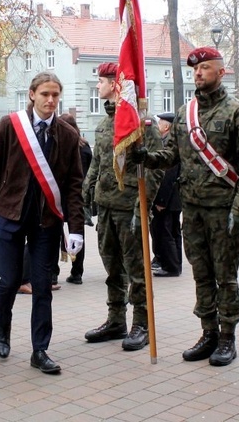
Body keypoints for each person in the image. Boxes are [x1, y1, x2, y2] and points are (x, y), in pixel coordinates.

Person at [132, 47, 239, 366]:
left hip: (223, 211)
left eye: (205, 68)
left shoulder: (237, 113)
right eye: (195, 69)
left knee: (225, 276)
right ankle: (208, 332)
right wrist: (146, 157)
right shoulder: (185, 113)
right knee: (201, 275)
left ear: (221, 72)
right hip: (192, 211)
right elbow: (171, 156)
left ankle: (228, 337)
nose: (199, 73)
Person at [0, 71, 85, 374]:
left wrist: (75, 227)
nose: (50, 100)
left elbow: (74, 185)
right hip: (10, 215)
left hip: (46, 221)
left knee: (42, 286)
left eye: (55, 95)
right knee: (10, 281)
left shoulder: (66, 134)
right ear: (32, 94)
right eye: (45, 95)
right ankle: (3, 329)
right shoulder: (11, 126)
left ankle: (40, 350)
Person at [82, 62, 163, 352]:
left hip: (130, 207)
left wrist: (144, 203)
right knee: (112, 266)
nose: (98, 86)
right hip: (106, 206)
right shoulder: (104, 124)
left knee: (137, 269)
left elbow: (155, 167)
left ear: (115, 84)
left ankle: (141, 323)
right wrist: (86, 191)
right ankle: (116, 319)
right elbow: (98, 162)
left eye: (102, 81)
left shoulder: (141, 123)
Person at [60, 113, 93, 284]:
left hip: (61, 195)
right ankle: (77, 272)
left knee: (56, 232)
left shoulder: (62, 146)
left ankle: (52, 272)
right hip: (80, 196)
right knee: (78, 233)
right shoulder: (85, 146)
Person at [150, 112, 182, 277]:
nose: (158, 126)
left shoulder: (168, 143)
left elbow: (167, 174)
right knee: (174, 231)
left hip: (167, 198)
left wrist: (161, 200)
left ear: (167, 126)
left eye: (160, 123)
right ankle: (175, 263)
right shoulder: (174, 141)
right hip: (174, 197)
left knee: (165, 232)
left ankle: (170, 266)